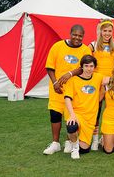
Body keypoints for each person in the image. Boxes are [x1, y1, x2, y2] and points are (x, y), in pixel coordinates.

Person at [43, 25, 91, 155]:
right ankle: (55, 143)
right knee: (55, 115)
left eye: (80, 36)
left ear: (83, 37)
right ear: (70, 33)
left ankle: (69, 141)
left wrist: (70, 73)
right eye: (75, 35)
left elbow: (85, 67)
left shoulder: (85, 49)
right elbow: (49, 67)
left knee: (70, 116)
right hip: (57, 89)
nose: (77, 38)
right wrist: (55, 83)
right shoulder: (57, 46)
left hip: (74, 90)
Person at [64, 55, 104, 159]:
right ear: (81, 67)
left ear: (94, 67)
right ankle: (74, 147)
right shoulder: (73, 80)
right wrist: (72, 115)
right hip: (77, 114)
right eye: (86, 66)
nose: (89, 69)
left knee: (85, 150)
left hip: (90, 118)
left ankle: (75, 142)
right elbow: (67, 98)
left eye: (91, 66)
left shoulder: (98, 77)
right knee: (71, 125)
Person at [88, 19, 114, 151]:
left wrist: (110, 78)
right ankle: (94, 139)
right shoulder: (92, 45)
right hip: (97, 83)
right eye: (104, 30)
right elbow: (87, 64)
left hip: (111, 83)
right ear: (100, 31)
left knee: (110, 111)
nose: (107, 33)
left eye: (109, 31)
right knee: (96, 111)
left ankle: (107, 137)